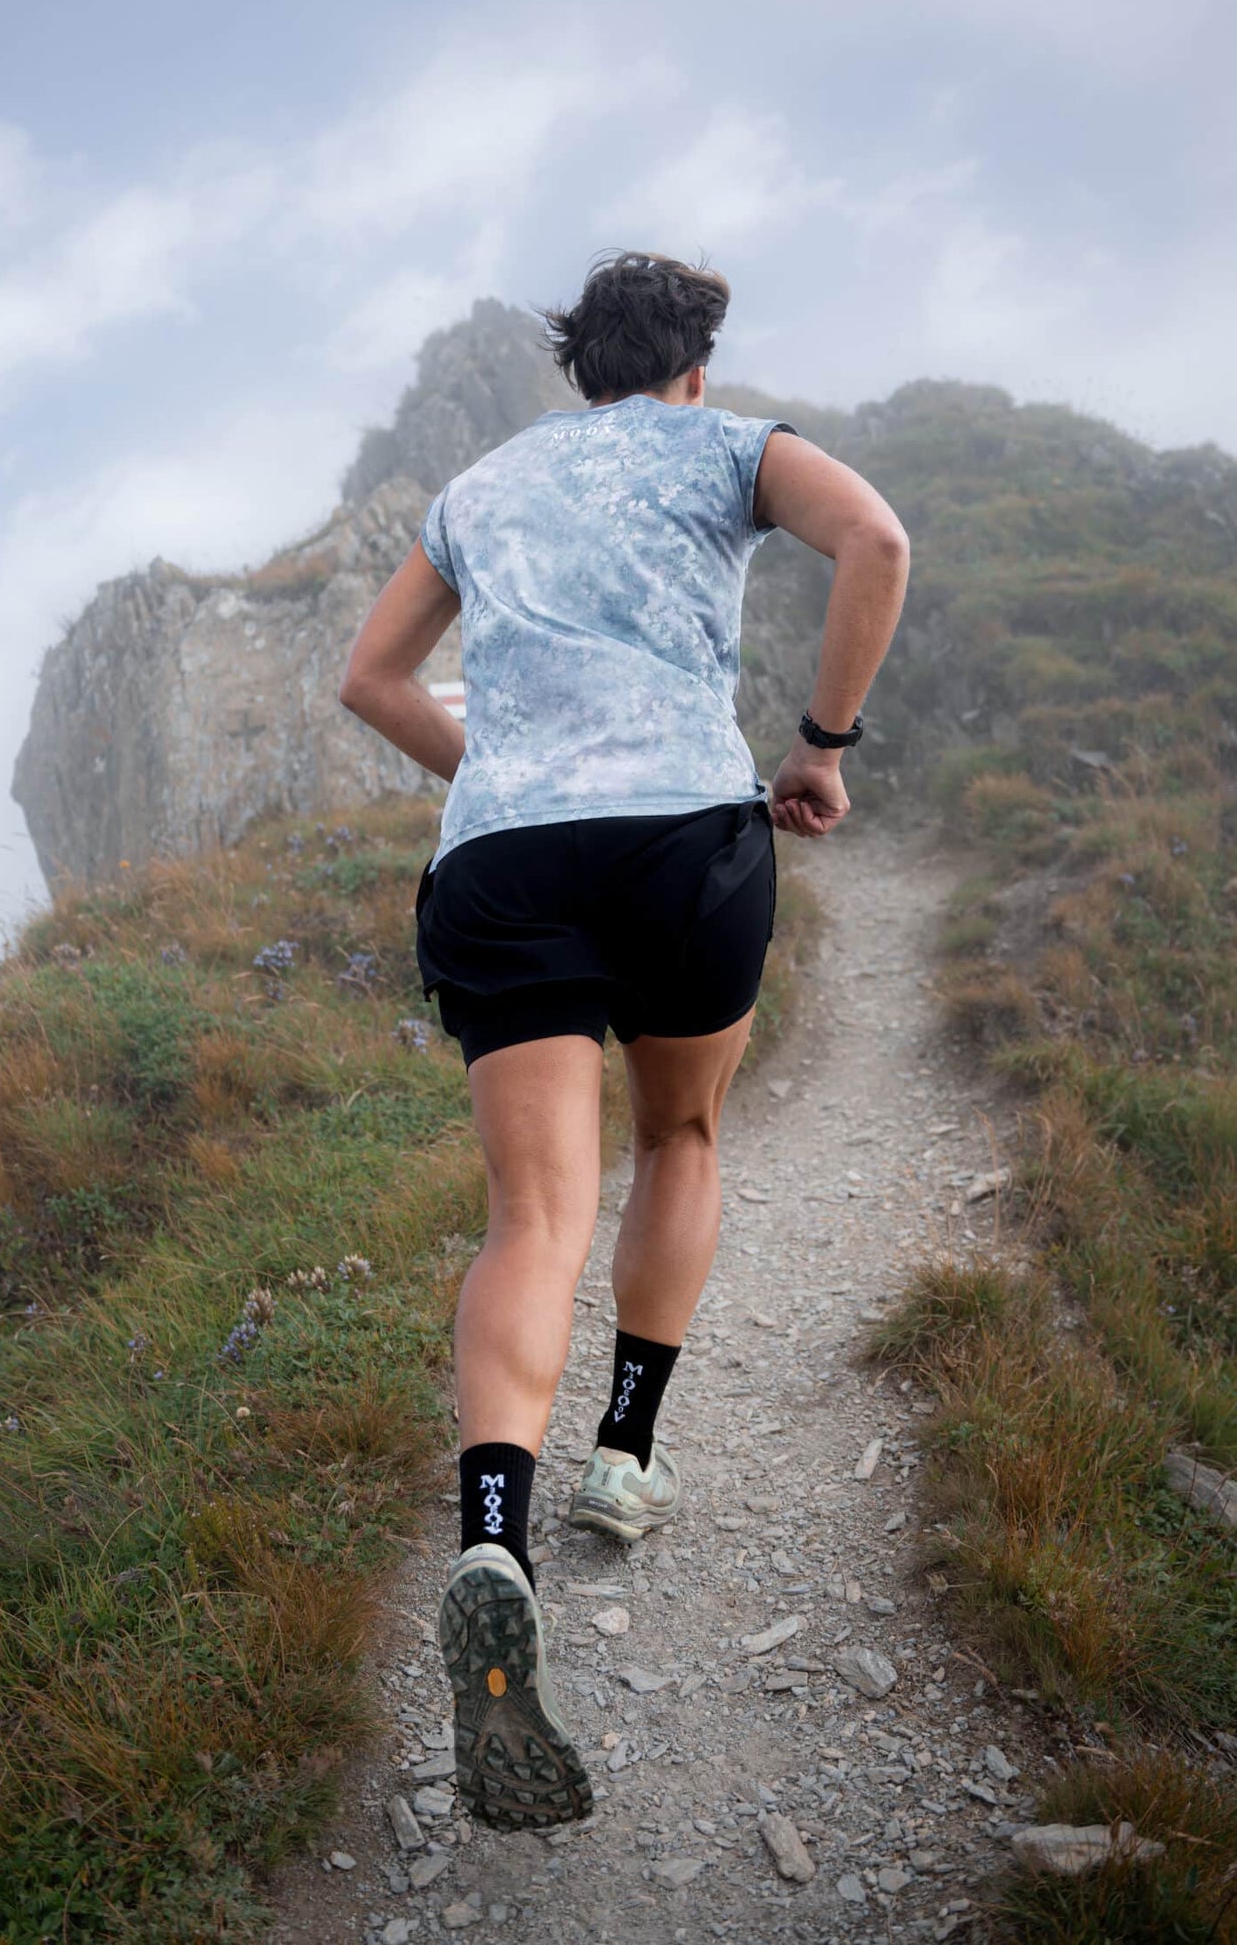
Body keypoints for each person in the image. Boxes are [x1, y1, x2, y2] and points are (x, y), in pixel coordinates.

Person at [339, 251, 909, 1832]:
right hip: (681, 840)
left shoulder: (480, 487)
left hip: (503, 862)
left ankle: (492, 1534)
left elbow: (370, 678)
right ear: (691, 370)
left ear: (578, 368)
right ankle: (625, 1452)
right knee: (681, 1134)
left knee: (533, 1214)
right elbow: (876, 537)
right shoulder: (726, 448)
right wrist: (820, 749)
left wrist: (499, 775)